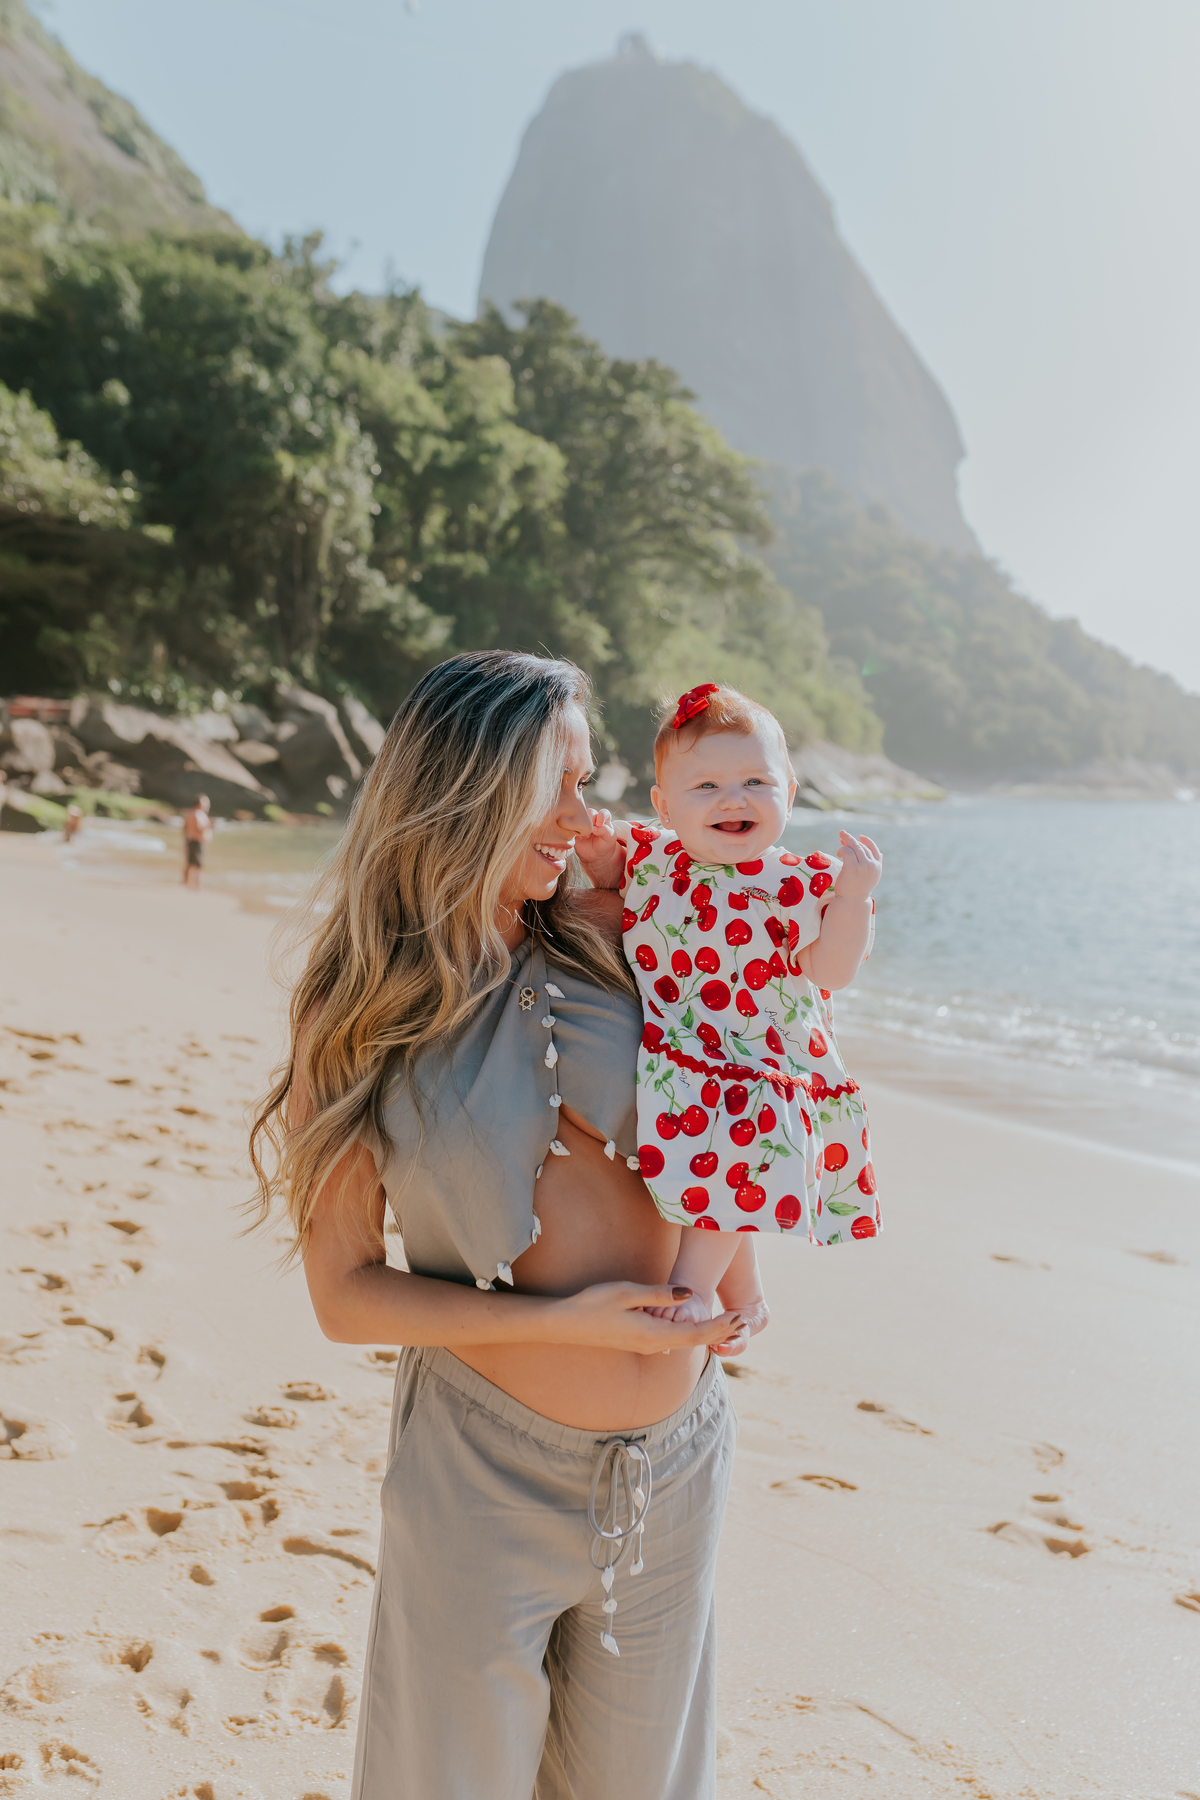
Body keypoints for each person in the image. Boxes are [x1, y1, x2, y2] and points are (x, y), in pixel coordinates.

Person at [249, 652, 768, 1800]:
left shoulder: (628, 939)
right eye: (559, 785)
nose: (586, 817)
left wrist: (738, 1277)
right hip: (480, 1469)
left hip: (676, 1470)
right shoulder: (357, 1009)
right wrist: (575, 1324)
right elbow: (343, 1295)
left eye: (590, 782)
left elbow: (725, 1107)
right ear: (467, 787)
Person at [588, 682, 882, 1328]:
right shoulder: (654, 858)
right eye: (708, 787)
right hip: (682, 1049)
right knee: (719, 1188)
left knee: (727, 1175)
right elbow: (613, 894)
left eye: (756, 781)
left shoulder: (801, 884)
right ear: (664, 806)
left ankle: (691, 1289)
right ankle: (745, 1300)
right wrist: (601, 856)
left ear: (790, 793)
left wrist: (853, 900)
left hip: (758, 1059)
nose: (734, 799)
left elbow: (831, 971)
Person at [181, 793, 212, 888]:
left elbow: (184, 828)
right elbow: (199, 828)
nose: (208, 805)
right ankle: (197, 886)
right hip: (197, 841)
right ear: (199, 804)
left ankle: (186, 883)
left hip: (191, 840)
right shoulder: (198, 814)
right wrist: (209, 825)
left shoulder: (190, 813)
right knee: (198, 865)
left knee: (190, 863)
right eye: (206, 802)